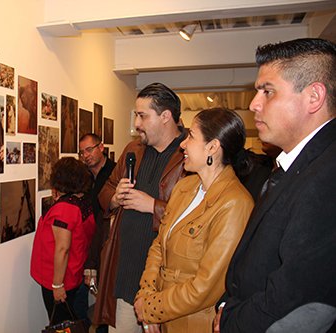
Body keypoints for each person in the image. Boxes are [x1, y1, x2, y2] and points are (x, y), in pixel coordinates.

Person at [214, 38, 336, 333]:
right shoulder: (299, 163)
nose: (254, 104)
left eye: (267, 91)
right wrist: (224, 305)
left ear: (313, 97)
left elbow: (295, 290)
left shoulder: (328, 173)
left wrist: (230, 321)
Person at [133, 108, 254, 333]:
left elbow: (205, 288)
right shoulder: (184, 187)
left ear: (212, 147)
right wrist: (147, 295)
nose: (182, 144)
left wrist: (151, 308)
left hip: (194, 323)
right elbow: (159, 246)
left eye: (191, 136)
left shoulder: (235, 203)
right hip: (163, 316)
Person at [92, 83, 187, 332]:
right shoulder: (133, 149)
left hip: (166, 283)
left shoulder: (189, 155)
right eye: (136, 115)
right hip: (125, 275)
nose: (136, 123)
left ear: (166, 116)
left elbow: (198, 217)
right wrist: (115, 198)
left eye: (142, 115)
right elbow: (105, 192)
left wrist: (153, 206)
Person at [31, 157, 96, 325]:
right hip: (74, 274)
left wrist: (57, 285)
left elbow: (62, 249)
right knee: (74, 320)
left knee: (61, 325)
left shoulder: (64, 209)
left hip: (60, 279)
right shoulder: (82, 202)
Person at [76, 133, 117, 332]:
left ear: (101, 147)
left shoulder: (116, 173)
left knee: (107, 302)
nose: (86, 155)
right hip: (88, 244)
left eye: (89, 149)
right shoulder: (84, 176)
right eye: (82, 152)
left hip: (108, 244)